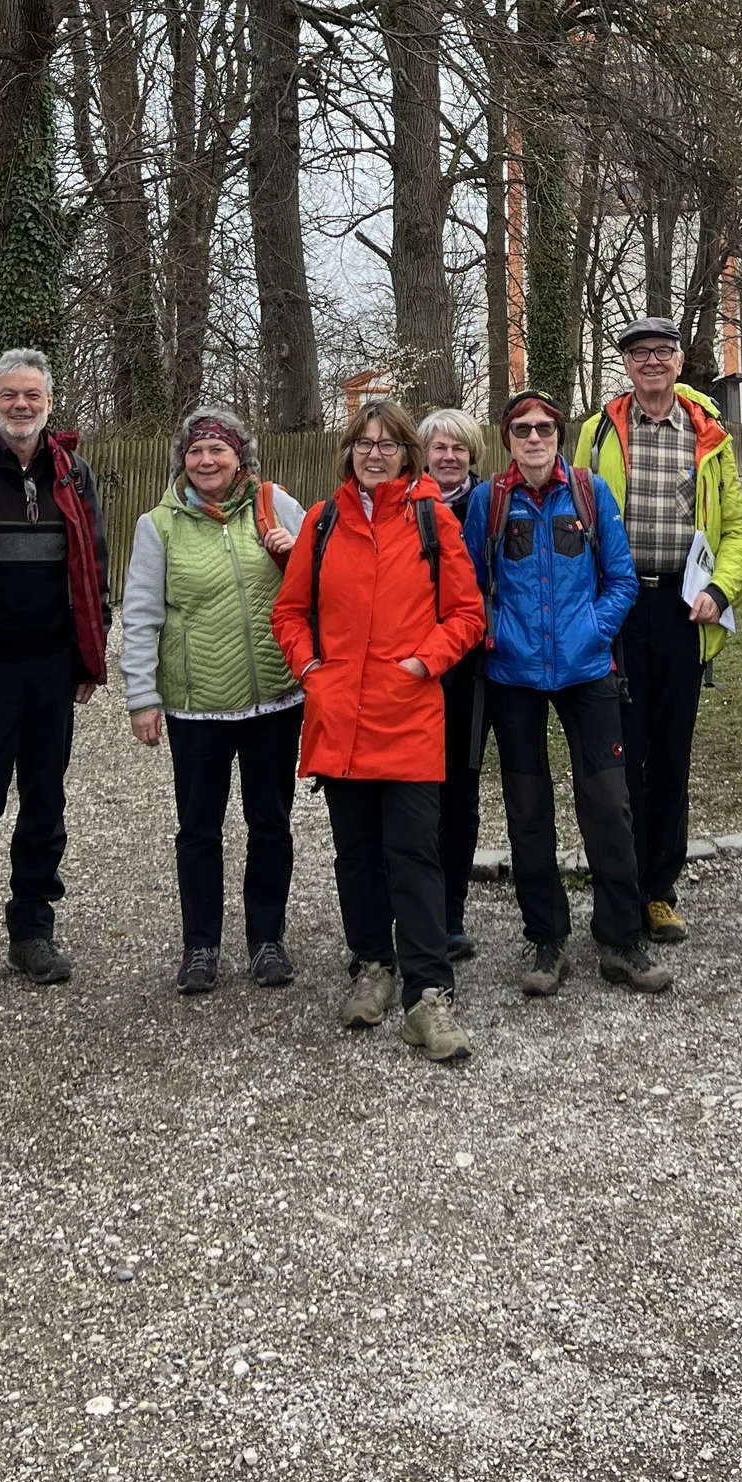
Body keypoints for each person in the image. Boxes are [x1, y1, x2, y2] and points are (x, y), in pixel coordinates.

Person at [270, 398, 486, 1065]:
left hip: (409, 713)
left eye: (387, 444)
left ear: (406, 454)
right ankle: (372, 965)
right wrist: (311, 670)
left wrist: (424, 662)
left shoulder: (431, 519)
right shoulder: (323, 521)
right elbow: (289, 612)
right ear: (348, 452)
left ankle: (428, 995)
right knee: (356, 853)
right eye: (364, 443)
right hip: (340, 717)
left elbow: (467, 614)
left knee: (415, 853)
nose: (374, 454)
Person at [465, 388, 667, 998]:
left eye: (545, 429)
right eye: (522, 429)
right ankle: (546, 938)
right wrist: (497, 632)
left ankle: (620, 939)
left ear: (560, 436)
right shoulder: (489, 501)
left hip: (587, 671)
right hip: (514, 676)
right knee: (528, 812)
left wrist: (593, 631)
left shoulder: (589, 491)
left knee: (609, 804)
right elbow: (470, 584)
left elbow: (622, 578)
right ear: (507, 439)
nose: (534, 438)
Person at [0, 349, 110, 995]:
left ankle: (31, 930)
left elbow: (92, 565)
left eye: (32, 395)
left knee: (45, 802)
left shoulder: (73, 474)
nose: (21, 406)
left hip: (51, 667)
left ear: (49, 403)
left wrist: (90, 653)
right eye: (9, 395)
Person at [574, 315, 742, 947]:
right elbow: (574, 518)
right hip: (619, 612)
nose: (651, 361)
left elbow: (734, 529)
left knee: (671, 757)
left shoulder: (709, 434)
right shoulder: (597, 432)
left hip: (683, 609)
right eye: (639, 353)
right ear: (625, 364)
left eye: (662, 351)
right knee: (620, 756)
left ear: (679, 361)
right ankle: (620, 885)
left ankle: (659, 892)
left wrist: (720, 590)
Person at [120, 408, 305, 992]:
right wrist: (142, 696)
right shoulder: (159, 525)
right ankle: (200, 947)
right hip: (196, 707)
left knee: (270, 823)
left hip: (274, 699)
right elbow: (141, 615)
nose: (206, 461)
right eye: (196, 451)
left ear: (240, 457)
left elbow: (321, 580)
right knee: (199, 829)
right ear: (183, 459)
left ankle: (267, 940)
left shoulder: (276, 505)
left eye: (217, 450)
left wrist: (294, 550)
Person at [419, 407, 490, 960]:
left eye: (458, 448)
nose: (449, 457)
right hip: (414, 669)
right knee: (411, 796)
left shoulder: (488, 505)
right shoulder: (403, 506)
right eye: (439, 447)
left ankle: (451, 914)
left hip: (471, 670)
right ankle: (407, 911)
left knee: (460, 796)